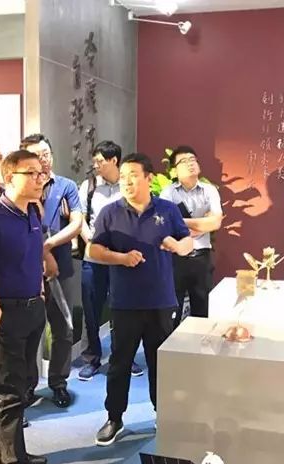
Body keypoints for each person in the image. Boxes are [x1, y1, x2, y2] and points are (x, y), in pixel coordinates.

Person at [88, 153, 193, 446]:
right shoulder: (110, 213)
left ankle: (164, 414)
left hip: (161, 300)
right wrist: (121, 258)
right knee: (120, 362)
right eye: (123, 177)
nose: (127, 181)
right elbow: (93, 251)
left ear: (149, 178)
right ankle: (114, 418)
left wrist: (178, 246)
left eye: (133, 175)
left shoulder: (168, 210)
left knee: (161, 362)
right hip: (125, 302)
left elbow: (187, 241)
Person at [0, 149, 50, 464]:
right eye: (31, 173)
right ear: (9, 177)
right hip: (6, 311)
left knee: (25, 384)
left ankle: (4, 450)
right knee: (8, 390)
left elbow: (34, 256)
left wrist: (40, 290)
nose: (40, 179)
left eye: (41, 173)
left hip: (34, 307)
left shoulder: (33, 211)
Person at [20, 133, 83, 408]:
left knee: (63, 328)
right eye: (36, 156)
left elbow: (77, 223)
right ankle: (28, 386)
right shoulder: (20, 189)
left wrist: (48, 245)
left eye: (46, 154)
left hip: (61, 267)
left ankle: (59, 382)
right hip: (26, 271)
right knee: (30, 331)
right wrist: (41, 252)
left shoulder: (66, 186)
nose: (43, 160)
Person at [77, 141, 143, 380]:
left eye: (99, 161)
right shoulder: (89, 186)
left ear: (114, 160)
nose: (95, 165)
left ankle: (124, 356)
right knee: (91, 309)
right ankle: (92, 357)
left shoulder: (128, 186)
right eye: (94, 161)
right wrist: (92, 242)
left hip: (121, 259)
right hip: (93, 259)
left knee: (123, 310)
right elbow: (81, 218)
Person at [160, 146, 222, 322]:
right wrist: (202, 223)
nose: (190, 164)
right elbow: (166, 226)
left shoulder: (209, 190)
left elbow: (215, 222)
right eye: (184, 161)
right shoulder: (168, 193)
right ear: (174, 170)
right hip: (176, 258)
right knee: (172, 311)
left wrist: (180, 222)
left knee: (202, 311)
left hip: (201, 257)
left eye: (193, 159)